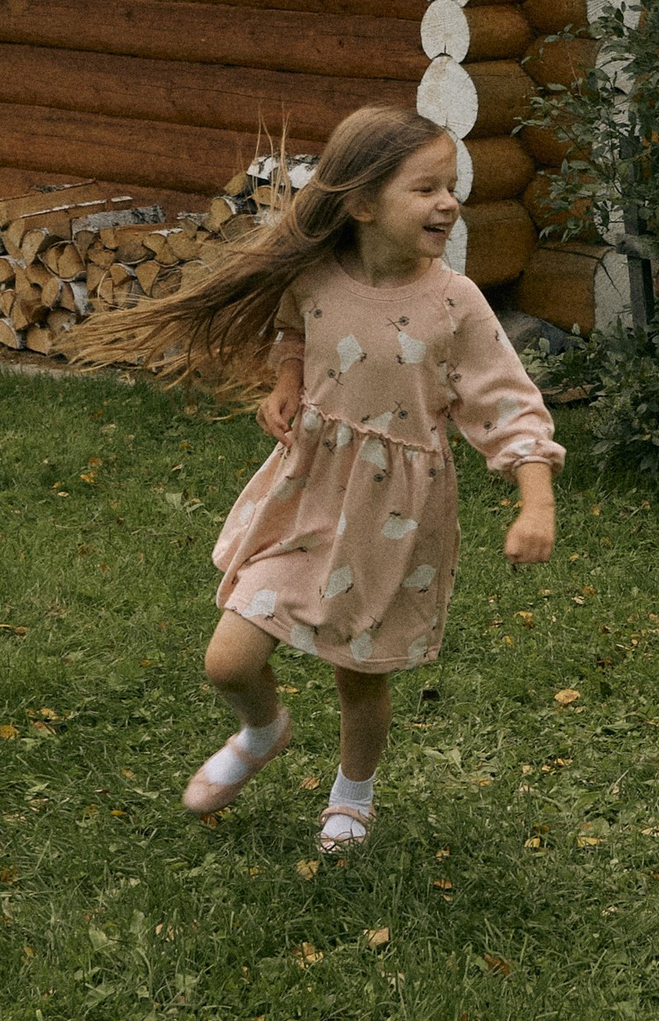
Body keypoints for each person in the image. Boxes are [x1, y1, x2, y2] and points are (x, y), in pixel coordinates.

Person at [73, 108, 562, 851]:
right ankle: (262, 730)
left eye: (452, 186)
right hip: (306, 494)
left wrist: (536, 501)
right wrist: (287, 378)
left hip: (393, 519)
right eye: (425, 187)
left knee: (358, 674)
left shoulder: (454, 303)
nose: (448, 202)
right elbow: (295, 328)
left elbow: (510, 405)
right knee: (227, 659)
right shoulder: (314, 275)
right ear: (361, 203)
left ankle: (352, 794)